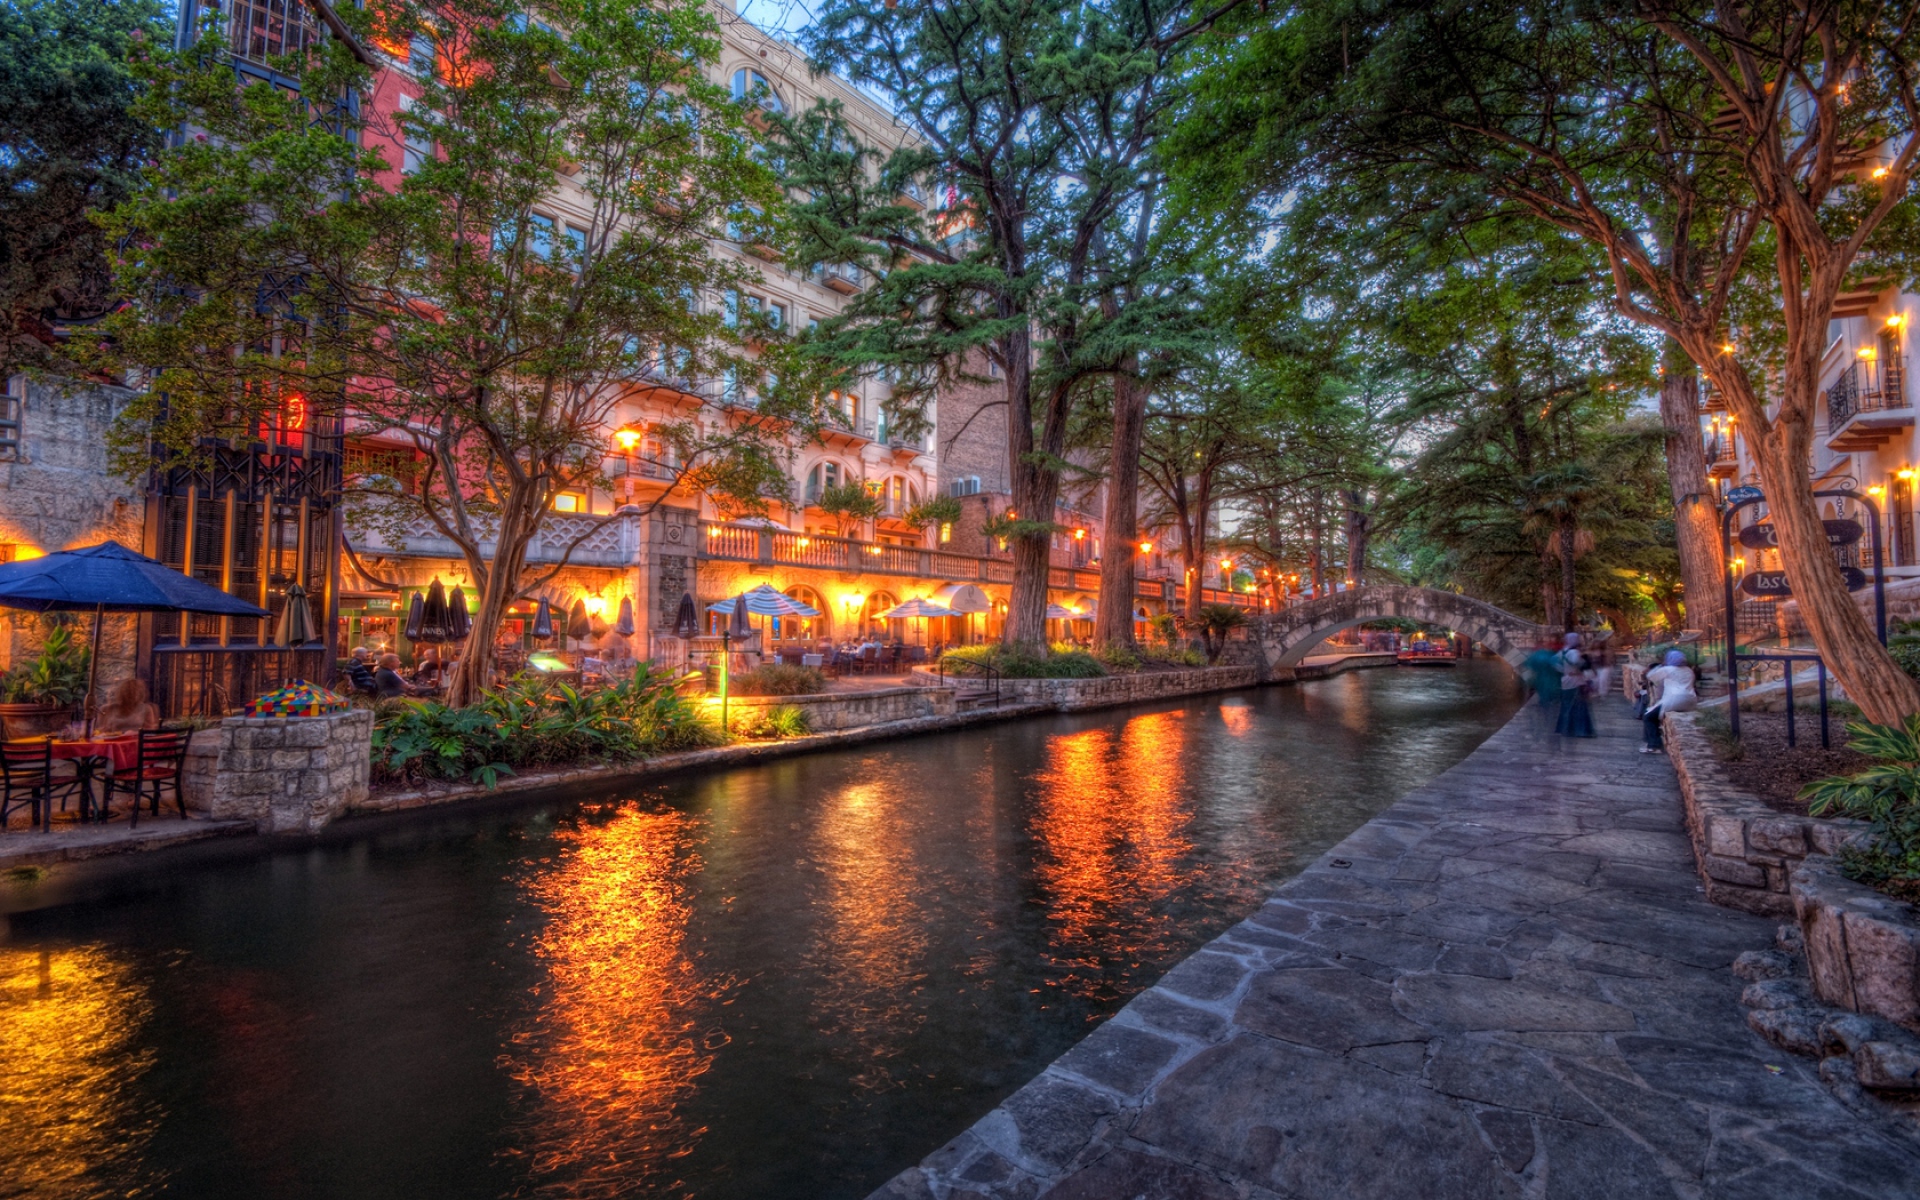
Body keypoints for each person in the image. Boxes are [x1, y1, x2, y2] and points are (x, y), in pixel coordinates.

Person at [1641, 649, 1699, 753]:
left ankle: (1654, 745)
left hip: (1674, 700)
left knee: (1648, 717)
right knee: (1653, 714)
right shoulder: (1688, 670)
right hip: (1690, 700)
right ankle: (1652, 742)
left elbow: (1650, 676)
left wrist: (1661, 665)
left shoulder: (1668, 669)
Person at [1556, 633, 1595, 738]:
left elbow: (1554, 663)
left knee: (1566, 705)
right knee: (1579, 706)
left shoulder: (1562, 652)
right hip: (1576, 681)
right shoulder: (1575, 652)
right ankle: (1579, 730)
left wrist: (1564, 671)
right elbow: (1581, 664)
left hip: (1565, 680)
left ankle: (1565, 728)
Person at [1522, 639, 1563, 730]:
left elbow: (1528, 666)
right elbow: (1559, 668)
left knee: (1543, 697)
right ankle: (1551, 717)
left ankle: (1545, 712)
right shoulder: (1551, 655)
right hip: (1552, 680)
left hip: (1540, 679)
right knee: (1552, 698)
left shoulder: (1536, 655)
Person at [94, 677, 159, 734]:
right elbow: (99, 731)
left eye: (136, 691)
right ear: (121, 692)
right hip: (114, 743)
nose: (133, 695)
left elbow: (150, 731)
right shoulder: (108, 709)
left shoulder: (146, 709)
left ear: (141, 693)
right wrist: (105, 729)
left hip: (136, 743)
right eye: (128, 691)